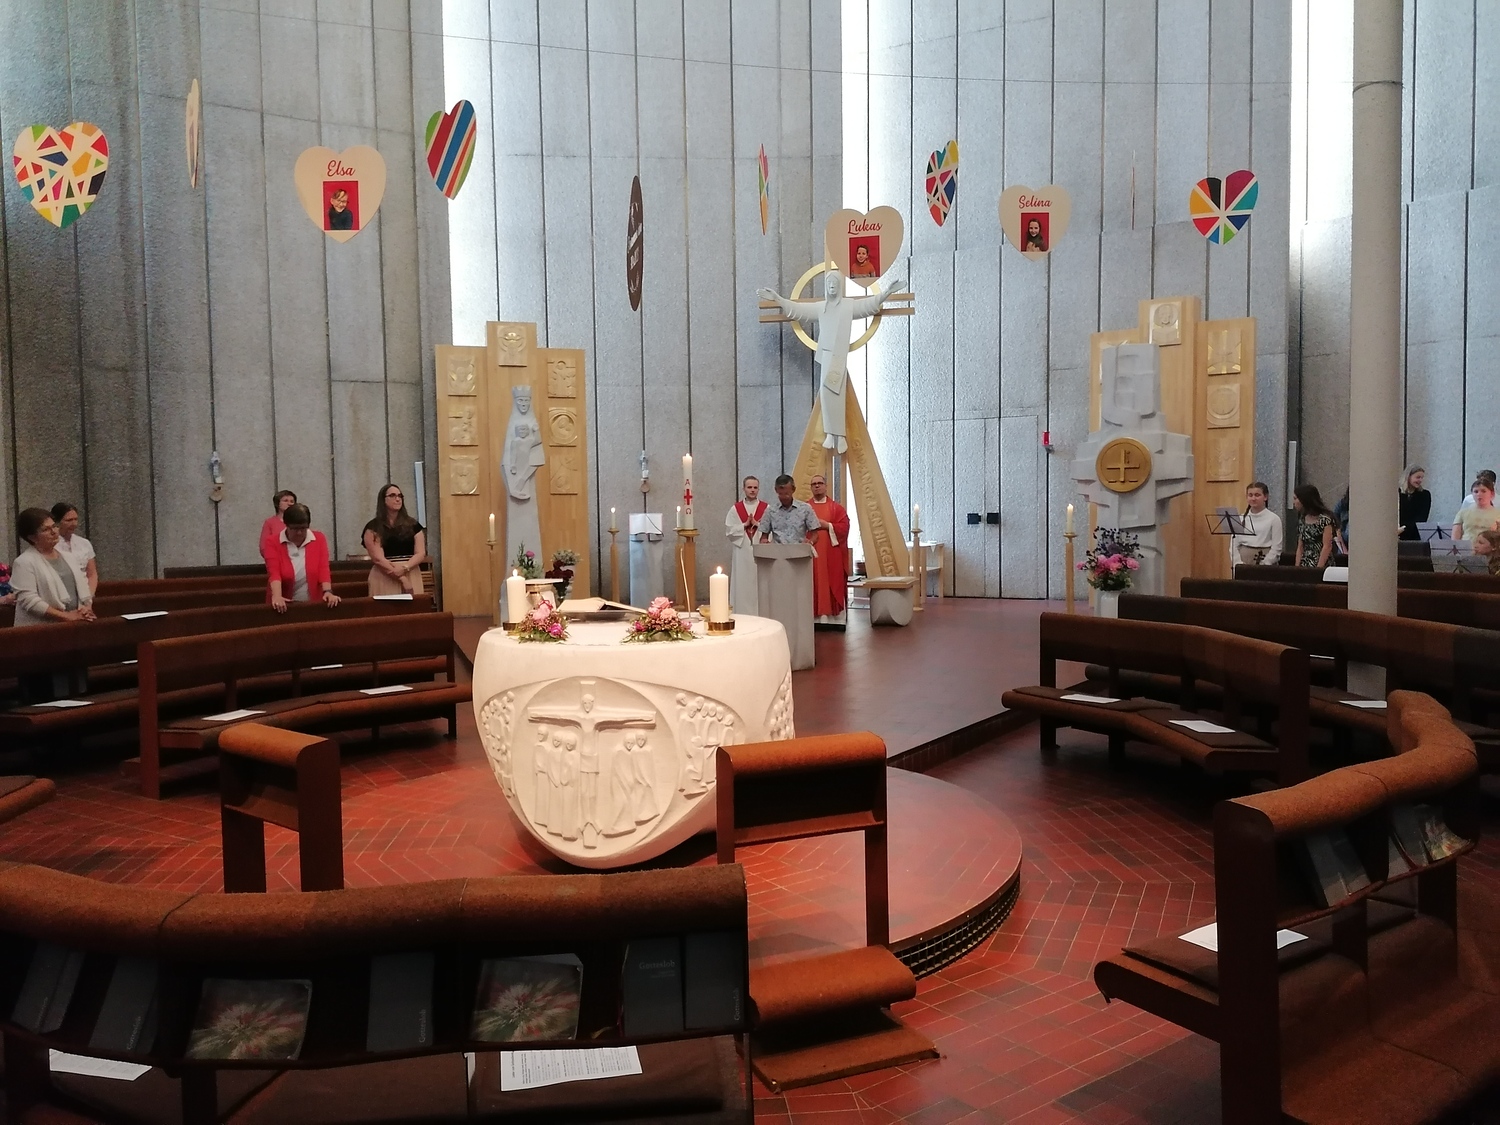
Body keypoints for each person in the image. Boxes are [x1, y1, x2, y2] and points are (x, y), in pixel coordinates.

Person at [11, 508, 96, 626]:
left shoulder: (68, 557)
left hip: (73, 624)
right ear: (32, 537)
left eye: (54, 526)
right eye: (46, 529)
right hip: (41, 627)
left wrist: (86, 608)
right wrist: (66, 616)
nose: (54, 532)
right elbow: (28, 599)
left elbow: (83, 587)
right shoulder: (24, 562)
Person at [265, 504, 340, 612]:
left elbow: (323, 569)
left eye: (303, 528)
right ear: (286, 525)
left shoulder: (318, 538)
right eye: (295, 529)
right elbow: (274, 573)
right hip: (283, 604)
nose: (299, 532)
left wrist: (327, 591)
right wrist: (277, 596)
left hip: (312, 603)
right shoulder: (272, 542)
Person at [363, 483, 428, 596]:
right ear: (383, 500)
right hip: (384, 575)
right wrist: (402, 578)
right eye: (392, 495)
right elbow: (378, 559)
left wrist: (405, 568)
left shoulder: (413, 525)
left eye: (400, 496)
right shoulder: (373, 527)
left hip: (411, 572)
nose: (397, 499)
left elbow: (420, 553)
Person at [806, 473, 851, 618]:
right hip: (811, 550)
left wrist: (828, 525)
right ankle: (813, 614)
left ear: (826, 486)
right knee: (813, 580)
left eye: (820, 483)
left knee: (831, 579)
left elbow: (844, 527)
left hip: (831, 551)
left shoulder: (836, 508)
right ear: (811, 488)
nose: (817, 486)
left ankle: (832, 613)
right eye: (814, 484)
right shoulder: (805, 508)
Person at [724, 476, 767, 616]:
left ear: (758, 489)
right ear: (743, 489)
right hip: (742, 551)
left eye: (755, 487)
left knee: (759, 583)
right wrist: (744, 525)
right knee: (742, 583)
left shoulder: (766, 509)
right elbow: (729, 531)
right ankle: (741, 613)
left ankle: (761, 614)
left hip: (761, 551)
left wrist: (757, 524)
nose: (752, 490)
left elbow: (772, 529)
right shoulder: (735, 509)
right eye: (749, 487)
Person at [1228, 482, 1283, 566]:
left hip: (1265, 560)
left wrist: (1265, 563)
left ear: (1265, 497)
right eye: (1250, 495)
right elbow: (1234, 545)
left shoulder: (1274, 519)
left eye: (1257, 495)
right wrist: (1238, 563)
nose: (1253, 498)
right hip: (1243, 560)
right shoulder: (1240, 519)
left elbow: (1277, 547)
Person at [756, 474, 821, 546]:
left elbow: (815, 535)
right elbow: (764, 536)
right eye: (780, 494)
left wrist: (810, 542)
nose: (784, 497)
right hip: (777, 551)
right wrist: (764, 542)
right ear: (776, 490)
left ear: (793, 489)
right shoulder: (770, 511)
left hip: (799, 551)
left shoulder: (805, 509)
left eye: (787, 494)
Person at [51, 502, 97, 600]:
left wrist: (89, 596)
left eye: (75, 519)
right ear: (57, 522)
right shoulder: (51, 545)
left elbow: (92, 573)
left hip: (85, 594)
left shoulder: (84, 543)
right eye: (69, 520)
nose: (74, 524)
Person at [1292, 485, 1337, 569]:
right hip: (1305, 563)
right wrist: (1297, 567)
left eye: (1295, 499)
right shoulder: (1302, 519)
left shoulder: (1325, 519)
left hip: (1321, 563)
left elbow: (1327, 546)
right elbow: (1300, 546)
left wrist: (1318, 569)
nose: (1294, 502)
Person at [259, 490, 297, 565]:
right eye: (285, 501)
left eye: (292, 501)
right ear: (277, 504)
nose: (289, 503)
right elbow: (264, 547)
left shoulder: (298, 522)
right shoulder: (270, 522)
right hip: (277, 563)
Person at [1398, 465, 1430, 541]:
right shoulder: (1397, 493)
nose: (1420, 480)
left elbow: (1422, 519)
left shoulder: (1425, 495)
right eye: (1418, 477)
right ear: (1408, 476)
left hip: (1414, 536)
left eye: (1422, 478)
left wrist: (1403, 529)